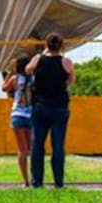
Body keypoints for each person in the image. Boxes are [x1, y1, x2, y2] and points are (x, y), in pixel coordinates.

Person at [26, 32, 74, 188]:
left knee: (37, 143)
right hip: (59, 107)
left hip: (40, 106)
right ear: (61, 46)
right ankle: (59, 182)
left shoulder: (38, 59)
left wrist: (43, 54)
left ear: (46, 44)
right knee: (58, 144)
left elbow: (28, 70)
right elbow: (71, 80)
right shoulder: (66, 62)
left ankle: (37, 182)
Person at [2, 55, 33, 187]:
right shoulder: (34, 78)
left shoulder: (15, 79)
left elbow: (4, 88)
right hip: (32, 115)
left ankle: (25, 180)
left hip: (17, 114)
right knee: (33, 149)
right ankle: (35, 178)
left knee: (22, 150)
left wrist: (10, 73)